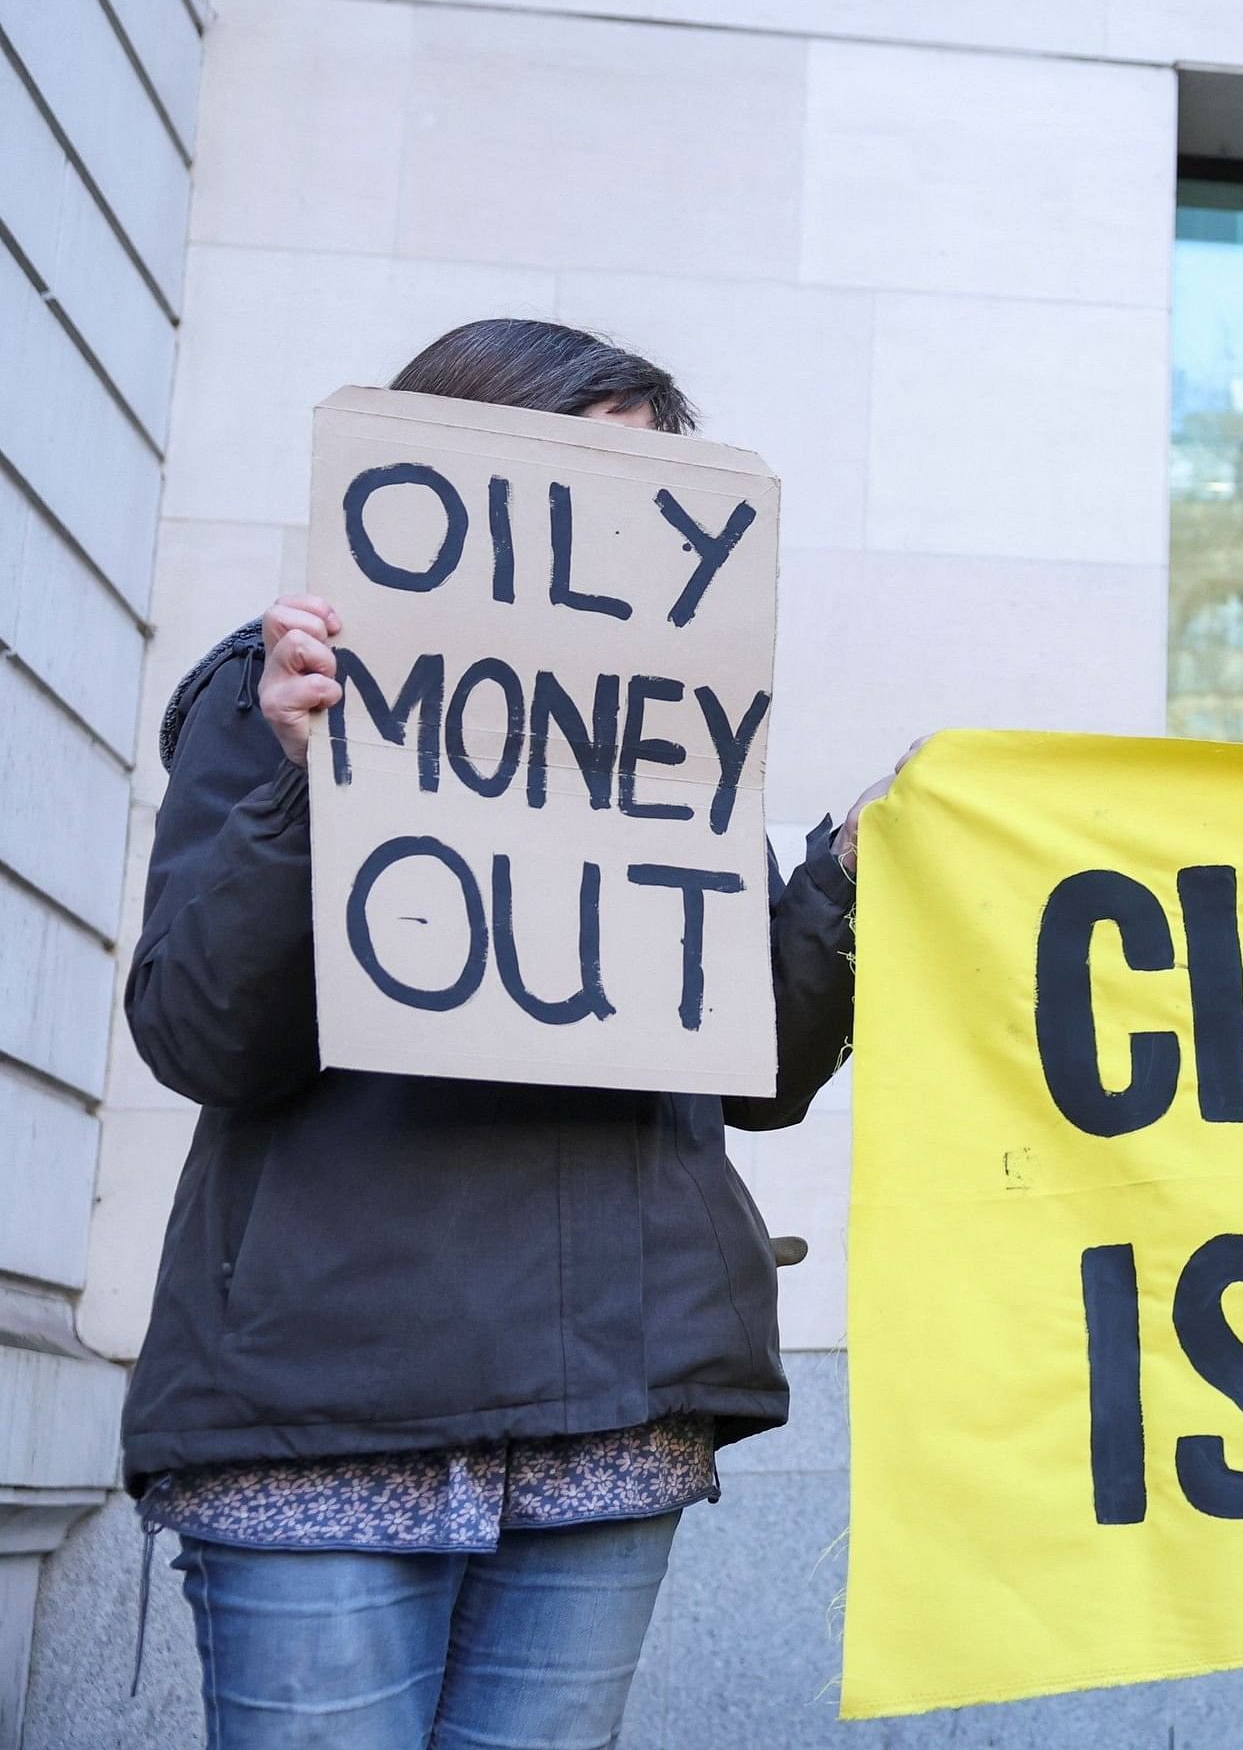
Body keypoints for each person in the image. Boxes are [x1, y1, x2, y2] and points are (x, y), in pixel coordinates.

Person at [120, 319, 895, 1749]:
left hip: (609, 1412)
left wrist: (838, 886)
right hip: (321, 1412)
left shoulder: (673, 717)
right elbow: (203, 1033)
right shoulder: (275, 692)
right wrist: (308, 784)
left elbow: (755, 1069)